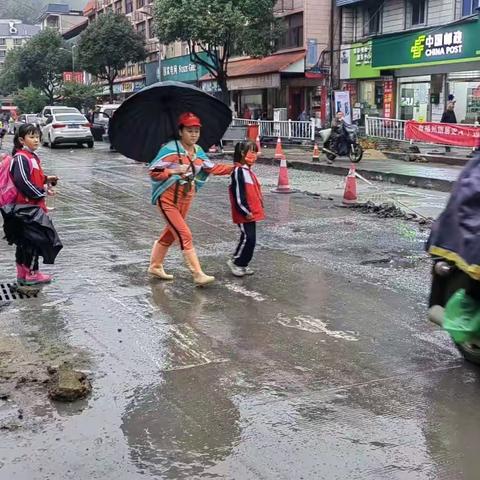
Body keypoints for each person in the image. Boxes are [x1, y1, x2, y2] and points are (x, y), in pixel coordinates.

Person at [148, 112, 234, 286]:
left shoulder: (198, 151)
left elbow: (211, 168)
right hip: (167, 198)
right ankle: (197, 273)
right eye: (189, 130)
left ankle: (155, 266)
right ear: (180, 131)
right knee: (184, 233)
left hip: (186, 197)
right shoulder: (170, 149)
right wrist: (174, 170)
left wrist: (236, 167)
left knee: (171, 233)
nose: (194, 134)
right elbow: (154, 172)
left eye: (196, 131)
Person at [9, 124, 59, 285]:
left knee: (25, 242)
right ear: (22, 140)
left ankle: (23, 274)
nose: (36, 140)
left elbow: (33, 177)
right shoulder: (21, 157)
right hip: (26, 209)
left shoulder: (32, 157)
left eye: (37, 136)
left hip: (31, 208)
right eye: (31, 137)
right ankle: (31, 274)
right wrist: (41, 193)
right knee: (33, 242)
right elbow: (22, 181)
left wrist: (46, 181)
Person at [227, 140, 264, 277]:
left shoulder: (248, 171)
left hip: (251, 212)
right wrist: (245, 211)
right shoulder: (238, 171)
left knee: (249, 238)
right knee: (248, 238)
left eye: (255, 151)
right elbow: (238, 194)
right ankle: (236, 262)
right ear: (243, 153)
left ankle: (242, 263)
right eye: (251, 151)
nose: (254, 155)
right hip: (244, 213)